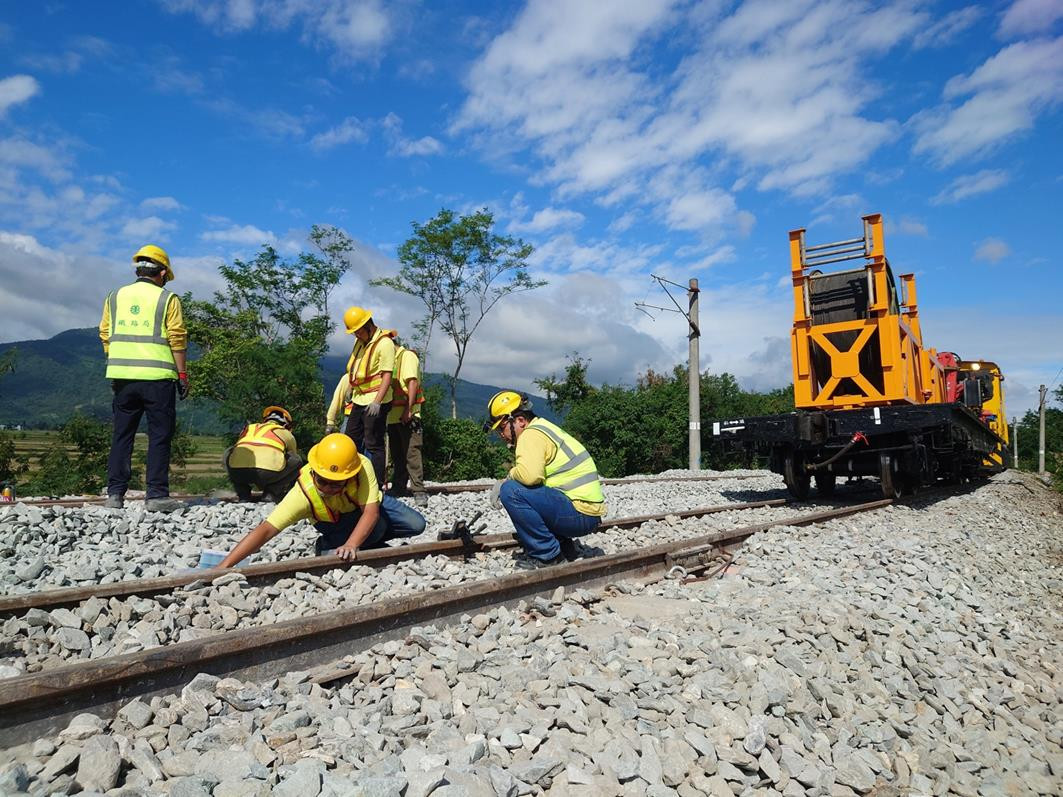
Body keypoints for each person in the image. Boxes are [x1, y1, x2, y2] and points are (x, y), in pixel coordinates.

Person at [219, 433, 426, 567]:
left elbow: (370, 512)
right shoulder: (302, 492)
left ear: (350, 476)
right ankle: (328, 543)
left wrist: (352, 545)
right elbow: (266, 530)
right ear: (315, 473)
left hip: (364, 510)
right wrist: (225, 566)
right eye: (323, 481)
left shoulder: (362, 467)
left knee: (415, 524)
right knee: (377, 527)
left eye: (336, 483)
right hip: (334, 524)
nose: (328, 488)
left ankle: (360, 541)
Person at [99, 244, 188, 512]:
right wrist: (182, 374)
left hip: (122, 378)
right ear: (161, 272)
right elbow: (177, 338)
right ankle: (156, 496)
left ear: (139, 270)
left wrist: (118, 362)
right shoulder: (168, 300)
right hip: (158, 378)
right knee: (159, 436)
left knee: (122, 435)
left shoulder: (114, 297)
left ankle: (115, 495)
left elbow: (105, 333)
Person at [483, 390, 606, 566]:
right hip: (586, 512)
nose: (502, 435)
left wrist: (506, 479)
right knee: (529, 491)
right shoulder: (544, 428)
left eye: (502, 427)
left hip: (580, 514)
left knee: (511, 491)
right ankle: (564, 547)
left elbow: (530, 477)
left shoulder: (530, 435)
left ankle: (548, 555)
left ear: (520, 420)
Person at [340, 307, 395, 488]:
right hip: (359, 398)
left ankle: (377, 485)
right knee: (351, 439)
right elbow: (356, 369)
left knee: (373, 442)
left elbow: (387, 374)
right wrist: (350, 389)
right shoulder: (361, 343)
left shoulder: (384, 343)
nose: (356, 335)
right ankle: (352, 481)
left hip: (376, 399)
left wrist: (377, 402)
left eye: (358, 331)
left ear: (368, 325)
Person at [224, 406, 302, 502]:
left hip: (238, 472)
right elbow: (293, 456)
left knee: (229, 453)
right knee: (297, 460)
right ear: (286, 424)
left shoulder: (249, 428)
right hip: (268, 473)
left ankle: (243, 494)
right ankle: (271, 493)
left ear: (265, 420)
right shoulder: (285, 432)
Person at [387, 340, 427, 507]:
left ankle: (418, 491)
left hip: (407, 414)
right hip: (392, 416)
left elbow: (412, 382)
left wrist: (408, 410)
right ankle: (398, 487)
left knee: (412, 453)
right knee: (397, 455)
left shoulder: (407, 356)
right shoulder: (392, 359)